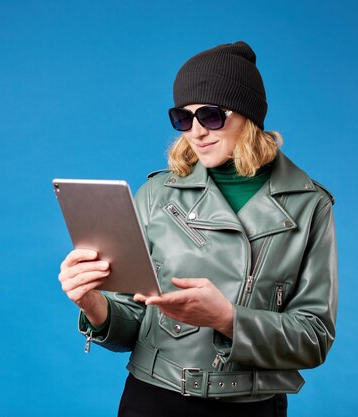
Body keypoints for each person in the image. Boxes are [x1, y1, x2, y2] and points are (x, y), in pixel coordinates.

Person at [58, 41, 337, 417]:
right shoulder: (157, 194)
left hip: (252, 406)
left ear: (249, 115)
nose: (196, 131)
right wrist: (92, 303)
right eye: (182, 118)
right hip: (153, 399)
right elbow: (133, 323)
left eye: (211, 115)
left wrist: (225, 318)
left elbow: (314, 338)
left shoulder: (308, 203)